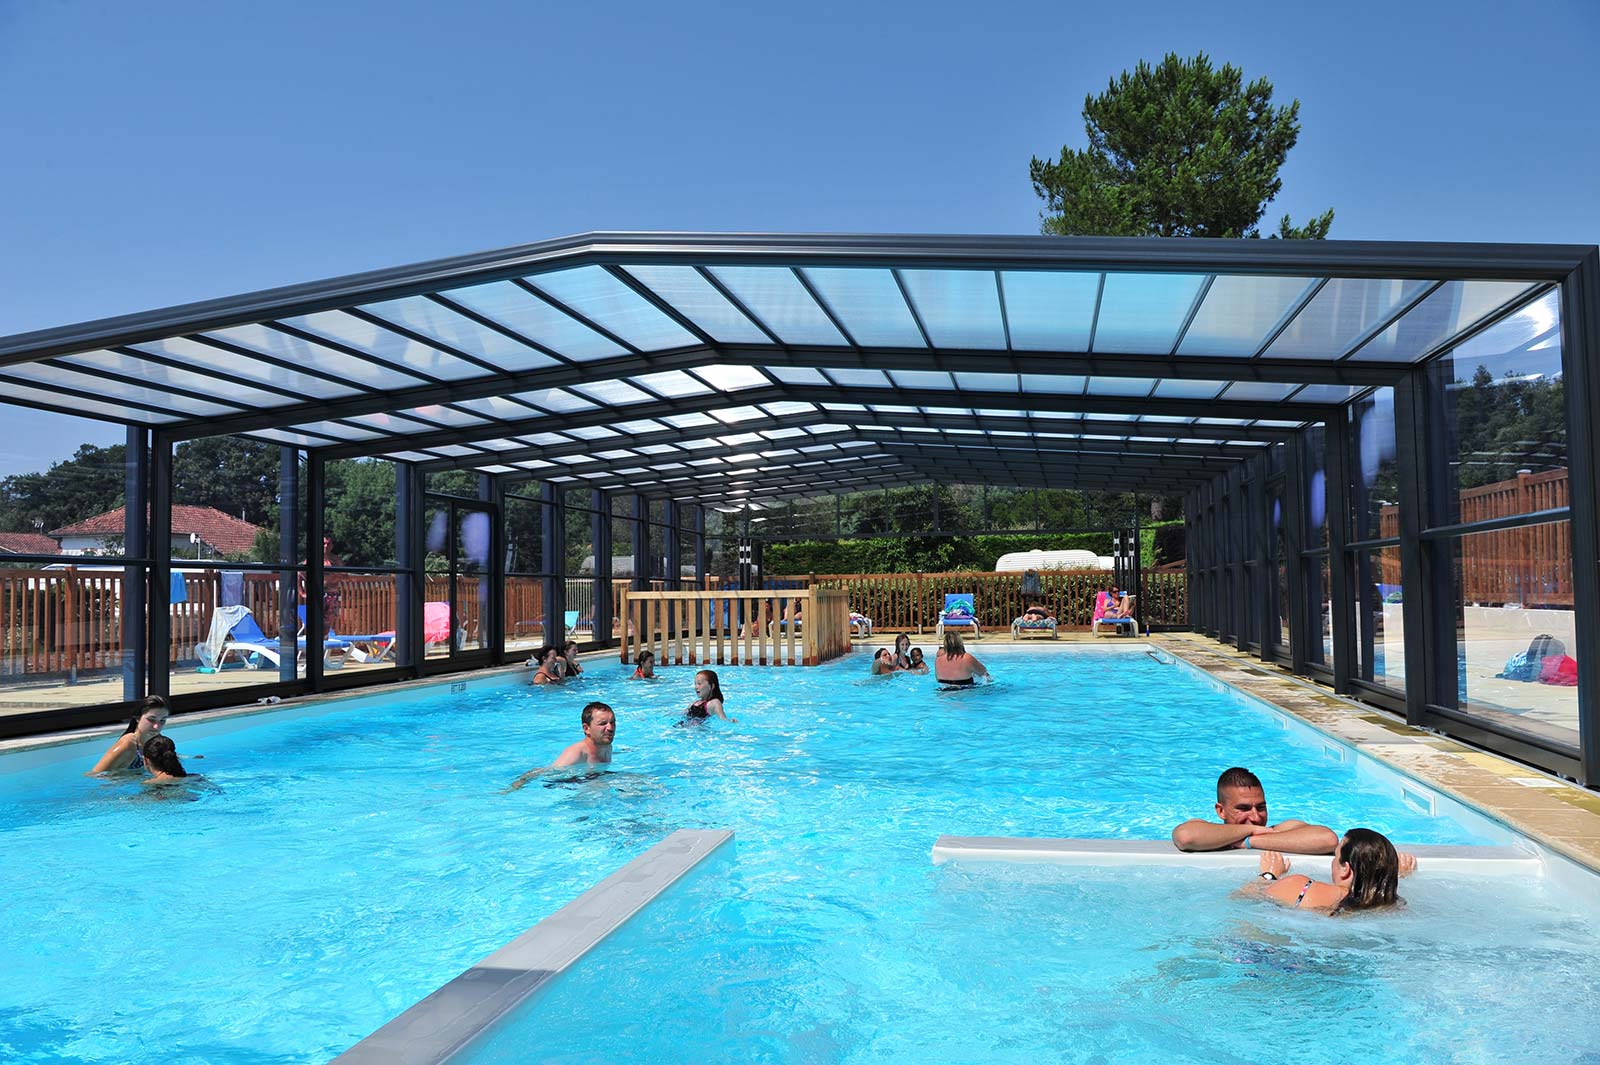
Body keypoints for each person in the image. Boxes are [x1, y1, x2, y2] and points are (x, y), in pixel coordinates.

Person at [1171, 767, 1339, 855]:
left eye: (1261, 807)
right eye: (1243, 808)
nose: (1256, 817)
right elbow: (1185, 837)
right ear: (1221, 811)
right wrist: (1251, 830)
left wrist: (1250, 841)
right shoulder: (1206, 831)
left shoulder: (1280, 830)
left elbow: (1328, 839)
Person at [1246, 828, 1415, 913]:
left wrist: (1269, 874)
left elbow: (1242, 896)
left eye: (1335, 856)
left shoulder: (1301, 888)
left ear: (1345, 869)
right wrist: (1396, 875)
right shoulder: (1394, 907)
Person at [507, 701, 617, 790]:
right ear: (586, 728)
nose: (610, 728)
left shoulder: (606, 745)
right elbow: (545, 773)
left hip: (592, 778)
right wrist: (517, 784)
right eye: (603, 723)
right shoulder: (576, 753)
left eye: (612, 722)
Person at [89, 696, 169, 774]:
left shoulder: (159, 742)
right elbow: (95, 775)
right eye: (151, 719)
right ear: (138, 718)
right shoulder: (128, 744)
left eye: (162, 720)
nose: (156, 726)